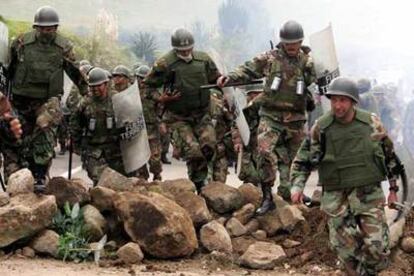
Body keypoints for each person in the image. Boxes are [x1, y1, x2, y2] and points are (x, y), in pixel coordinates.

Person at [290, 77, 397, 276]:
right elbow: (303, 160)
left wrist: (393, 190)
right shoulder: (321, 128)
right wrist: (297, 187)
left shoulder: (371, 123)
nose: (338, 105)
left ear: (353, 101)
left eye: (343, 100)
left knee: (376, 249)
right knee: (346, 251)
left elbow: (389, 157)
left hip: (368, 196)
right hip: (336, 198)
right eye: (334, 100)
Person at [217, 20, 317, 215]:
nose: (291, 47)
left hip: (296, 118)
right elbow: (248, 68)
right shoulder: (270, 58)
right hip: (271, 115)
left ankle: (294, 192)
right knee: (264, 152)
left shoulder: (308, 62)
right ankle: (267, 196)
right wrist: (229, 78)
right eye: (287, 43)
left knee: (296, 158)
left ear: (301, 42)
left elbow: (321, 79)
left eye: (294, 43)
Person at [6, 6, 87, 191]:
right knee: (20, 139)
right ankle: (23, 175)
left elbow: (76, 73)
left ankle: (40, 174)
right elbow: (8, 70)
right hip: (21, 98)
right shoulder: (20, 43)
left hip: (47, 99)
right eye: (42, 28)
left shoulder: (63, 47)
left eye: (50, 28)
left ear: (56, 28)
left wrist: (89, 97)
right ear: (36, 27)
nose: (45, 32)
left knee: (44, 125)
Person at [144, 28, 220, 192]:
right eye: (181, 50)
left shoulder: (203, 59)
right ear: (175, 49)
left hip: (201, 114)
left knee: (209, 146)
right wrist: (161, 98)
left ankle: (201, 177)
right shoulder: (164, 64)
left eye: (189, 49)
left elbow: (216, 78)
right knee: (193, 151)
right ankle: (199, 184)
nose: (186, 52)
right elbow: (146, 88)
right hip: (177, 117)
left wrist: (223, 85)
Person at [70, 67, 124, 185]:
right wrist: (76, 144)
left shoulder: (118, 99)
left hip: (116, 150)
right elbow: (75, 124)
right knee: (100, 179)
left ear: (106, 84)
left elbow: (130, 120)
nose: (95, 89)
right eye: (92, 86)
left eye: (98, 85)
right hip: (93, 150)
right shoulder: (85, 103)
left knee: (120, 182)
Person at [135, 65, 162, 181]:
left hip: (152, 129)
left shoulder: (154, 93)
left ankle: (157, 174)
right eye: (139, 78)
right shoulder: (132, 92)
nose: (141, 81)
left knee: (155, 158)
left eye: (143, 78)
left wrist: (161, 122)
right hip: (137, 128)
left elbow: (161, 107)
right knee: (140, 156)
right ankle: (142, 177)